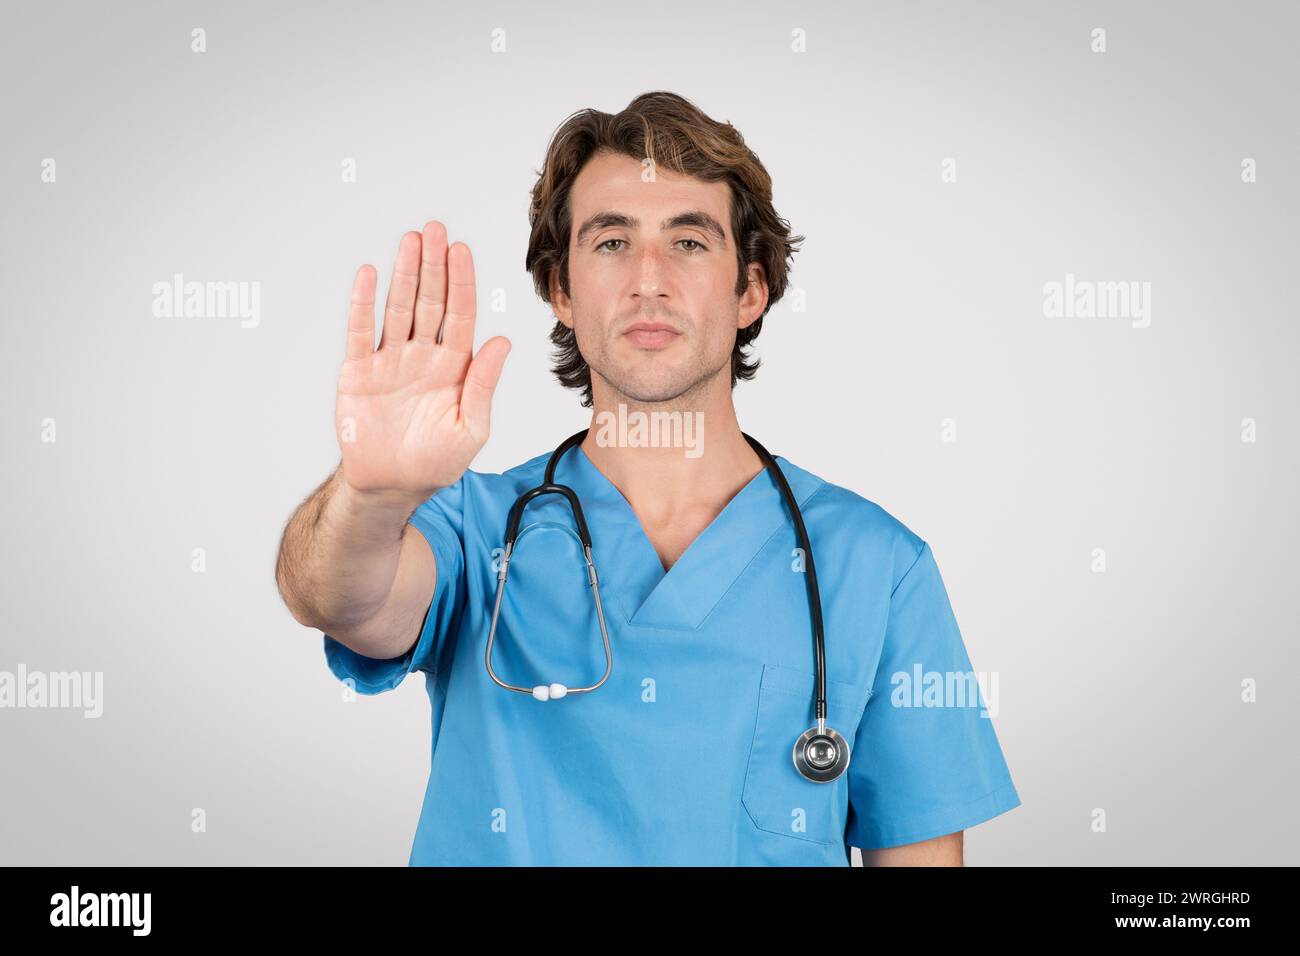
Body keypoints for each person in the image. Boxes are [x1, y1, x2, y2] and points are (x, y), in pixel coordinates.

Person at [275, 91, 1021, 866]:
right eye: (610, 243)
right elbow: (332, 596)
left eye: (690, 242)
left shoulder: (878, 567)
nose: (649, 279)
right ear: (561, 291)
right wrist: (373, 494)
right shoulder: (470, 528)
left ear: (751, 291)